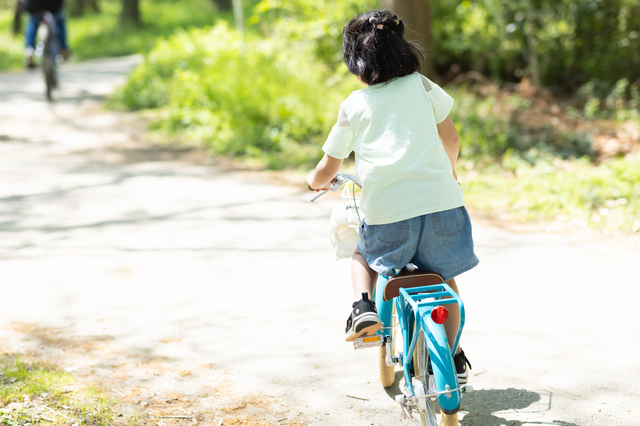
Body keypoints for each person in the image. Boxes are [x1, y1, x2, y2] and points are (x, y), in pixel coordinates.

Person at [306, 10, 479, 383]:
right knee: (443, 278)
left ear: (356, 67)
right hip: (443, 206)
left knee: (364, 253)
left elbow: (328, 167)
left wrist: (314, 181)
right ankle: (451, 357)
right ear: (404, 52)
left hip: (388, 214)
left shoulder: (354, 105)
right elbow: (451, 138)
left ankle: (364, 307)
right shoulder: (422, 85)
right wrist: (448, 171)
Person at [22, 0, 70, 68]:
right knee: (59, 21)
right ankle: (63, 49)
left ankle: (30, 49)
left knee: (32, 23)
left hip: (35, 5)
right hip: (54, 5)